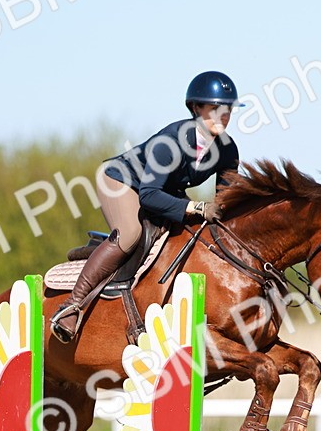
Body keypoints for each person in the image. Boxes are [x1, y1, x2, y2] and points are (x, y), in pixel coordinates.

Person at [50, 70, 244, 343]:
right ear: (196, 108)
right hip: (121, 181)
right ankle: (71, 306)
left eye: (228, 110)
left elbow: (227, 197)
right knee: (130, 234)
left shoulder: (228, 149)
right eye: (215, 108)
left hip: (162, 189)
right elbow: (149, 196)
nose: (222, 116)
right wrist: (198, 208)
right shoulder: (172, 142)